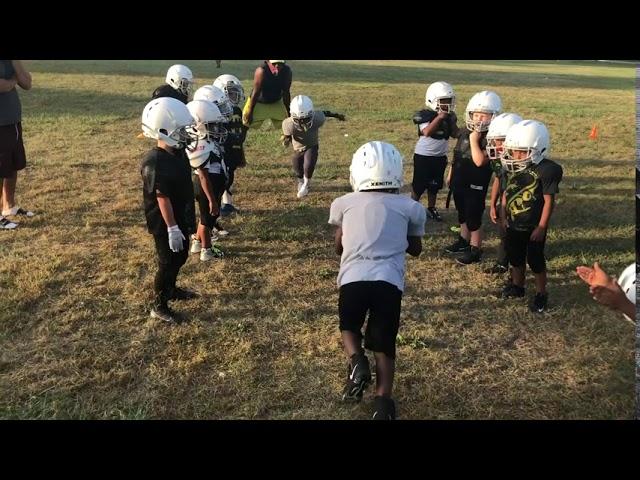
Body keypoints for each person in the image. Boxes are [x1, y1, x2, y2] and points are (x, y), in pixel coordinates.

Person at [328, 141, 426, 420]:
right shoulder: (409, 207)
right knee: (384, 344)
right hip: (388, 283)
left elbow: (339, 246)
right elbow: (415, 248)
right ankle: (383, 401)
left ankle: (357, 360)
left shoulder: (344, 204)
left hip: (353, 279)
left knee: (348, 326)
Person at [140, 97, 198, 324]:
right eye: (181, 130)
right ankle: (159, 305)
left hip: (179, 213)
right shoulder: (155, 161)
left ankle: (171, 289)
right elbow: (161, 197)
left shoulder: (178, 152)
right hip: (165, 222)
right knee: (167, 261)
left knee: (180, 255)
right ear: (164, 130)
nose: (186, 134)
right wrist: (172, 227)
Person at [500, 120, 563, 313]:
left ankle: (541, 293)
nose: (516, 156)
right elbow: (506, 193)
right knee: (516, 258)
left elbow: (548, 200)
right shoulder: (511, 168)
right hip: (513, 223)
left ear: (538, 149)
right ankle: (518, 286)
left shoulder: (546, 170)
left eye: (522, 152)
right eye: (514, 151)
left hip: (533, 225)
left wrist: (542, 226)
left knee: (536, 261)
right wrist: (503, 216)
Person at [444, 91, 502, 265]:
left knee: (473, 216)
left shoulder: (491, 139)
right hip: (460, 180)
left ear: (494, 116)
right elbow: (458, 155)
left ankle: (475, 248)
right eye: (475, 115)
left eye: (483, 116)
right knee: (462, 212)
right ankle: (463, 240)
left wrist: (475, 140)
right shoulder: (465, 132)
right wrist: (450, 174)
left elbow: (479, 161)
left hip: (476, 184)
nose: (478, 119)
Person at [410, 81, 460, 221]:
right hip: (423, 156)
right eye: (443, 101)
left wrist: (466, 130)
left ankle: (431, 208)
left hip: (440, 156)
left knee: (434, 185)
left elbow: (455, 134)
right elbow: (426, 132)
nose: (447, 104)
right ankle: (413, 207)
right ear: (433, 100)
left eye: (449, 101)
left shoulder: (450, 116)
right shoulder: (425, 116)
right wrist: (439, 118)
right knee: (419, 185)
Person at [281, 94, 345, 198]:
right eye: (299, 119)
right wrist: (286, 139)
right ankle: (301, 182)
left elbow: (325, 113)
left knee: (309, 164)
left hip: (312, 145)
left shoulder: (317, 118)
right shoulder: (288, 124)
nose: (302, 123)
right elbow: (287, 135)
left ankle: (306, 185)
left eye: (305, 119)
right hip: (297, 148)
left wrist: (337, 115)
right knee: (297, 166)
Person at [484, 113, 523, 274]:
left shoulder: (522, 161)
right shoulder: (500, 159)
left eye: (501, 140)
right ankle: (502, 262)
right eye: (496, 140)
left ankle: (516, 266)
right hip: (505, 201)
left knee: (517, 236)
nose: (496, 144)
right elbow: (498, 180)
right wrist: (493, 204)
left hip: (520, 203)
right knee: (503, 232)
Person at [0, 60, 33, 229]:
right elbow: (3, 86)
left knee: (12, 164)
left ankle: (9, 207)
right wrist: (14, 81)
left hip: (12, 121)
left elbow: (27, 83)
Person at [213, 74, 248, 216]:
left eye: (236, 91)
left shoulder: (237, 110)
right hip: (223, 149)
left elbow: (240, 129)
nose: (235, 94)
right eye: (231, 91)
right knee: (224, 177)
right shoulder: (217, 111)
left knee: (230, 175)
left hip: (235, 148)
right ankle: (220, 204)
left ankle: (227, 203)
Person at [242, 60, 292, 131]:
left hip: (276, 101)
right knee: (245, 123)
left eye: (280, 63)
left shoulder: (287, 71)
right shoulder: (261, 71)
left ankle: (288, 139)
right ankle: (238, 140)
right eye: (274, 63)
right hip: (258, 102)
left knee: (290, 124)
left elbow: (286, 92)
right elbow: (256, 93)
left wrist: (289, 111)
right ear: (268, 62)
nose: (277, 66)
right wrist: (250, 111)